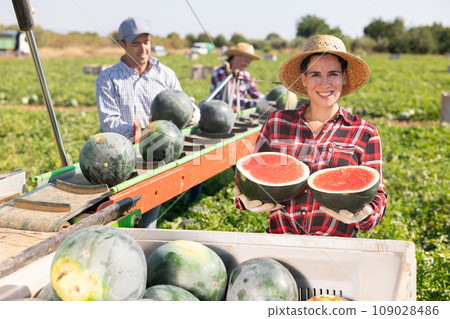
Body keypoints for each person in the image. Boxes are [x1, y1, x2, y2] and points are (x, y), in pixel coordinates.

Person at [234, 35, 387, 237]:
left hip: (337, 249)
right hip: (281, 244)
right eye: (315, 74)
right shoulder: (276, 123)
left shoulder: (365, 132)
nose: (324, 83)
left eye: (333, 74)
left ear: (344, 77)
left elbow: (377, 195)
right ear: (304, 79)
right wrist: (244, 199)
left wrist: (365, 215)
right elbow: (251, 177)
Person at [95, 17, 197, 228]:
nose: (143, 49)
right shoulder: (108, 79)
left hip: (156, 154)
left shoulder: (166, 74)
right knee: (120, 217)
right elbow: (108, 122)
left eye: (146, 42)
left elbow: (185, 110)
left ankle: (144, 240)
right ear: (121, 45)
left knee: (149, 216)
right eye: (135, 44)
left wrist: (189, 113)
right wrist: (140, 129)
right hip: (119, 158)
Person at [210, 42, 263, 112]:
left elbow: (256, 94)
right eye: (246, 61)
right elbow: (230, 100)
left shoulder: (246, 75)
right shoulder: (220, 73)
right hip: (218, 113)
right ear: (236, 56)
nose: (247, 65)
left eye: (249, 62)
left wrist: (266, 100)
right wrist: (258, 103)